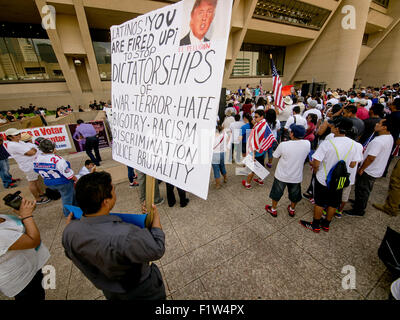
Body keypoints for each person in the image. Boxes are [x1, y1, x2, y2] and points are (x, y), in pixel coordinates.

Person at [62, 172, 166, 300]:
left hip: (110, 291)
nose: (115, 190)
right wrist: (155, 219)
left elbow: (71, 254)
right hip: (141, 291)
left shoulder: (69, 231)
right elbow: (157, 248)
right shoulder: (127, 234)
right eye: (113, 189)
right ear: (106, 202)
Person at [300, 117, 358, 233]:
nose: (331, 127)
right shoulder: (354, 145)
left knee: (320, 202)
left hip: (324, 178)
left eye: (332, 126)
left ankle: (315, 225)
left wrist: (315, 170)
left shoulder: (327, 143)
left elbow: (316, 163)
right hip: (341, 179)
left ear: (337, 129)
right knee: (334, 202)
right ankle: (326, 224)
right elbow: (352, 164)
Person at [0, 198, 50, 300]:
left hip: (29, 267)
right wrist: (27, 216)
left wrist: (23, 212)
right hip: (21, 281)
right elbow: (33, 241)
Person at [344, 119, 394, 217]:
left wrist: (362, 168)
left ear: (384, 127)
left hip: (369, 169)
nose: (377, 124)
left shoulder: (378, 141)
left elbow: (371, 157)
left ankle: (359, 210)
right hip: (376, 168)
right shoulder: (389, 137)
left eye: (379, 123)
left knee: (363, 189)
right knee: (363, 188)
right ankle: (359, 202)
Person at [265, 124, 310, 218]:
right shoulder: (307, 143)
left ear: (292, 134)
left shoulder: (284, 145)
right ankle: (292, 209)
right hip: (296, 176)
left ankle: (273, 209)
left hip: (282, 175)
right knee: (294, 194)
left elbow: (275, 156)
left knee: (277, 193)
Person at [33, 139, 78, 217]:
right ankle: (68, 214)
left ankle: (74, 208)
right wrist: (75, 179)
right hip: (62, 182)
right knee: (67, 197)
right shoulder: (58, 159)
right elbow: (68, 174)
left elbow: (36, 170)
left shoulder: (37, 159)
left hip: (48, 182)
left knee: (70, 195)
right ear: (53, 148)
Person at [4, 128, 50, 204]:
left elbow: (32, 150)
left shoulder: (19, 142)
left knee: (36, 181)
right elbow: (31, 152)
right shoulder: (13, 145)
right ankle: (37, 199)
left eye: (19, 133)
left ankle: (41, 194)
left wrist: (32, 150)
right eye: (16, 135)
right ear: (10, 137)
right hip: (28, 166)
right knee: (32, 182)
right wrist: (33, 149)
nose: (19, 135)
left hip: (32, 164)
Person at [242, 110, 272, 189]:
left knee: (251, 169)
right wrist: (251, 118)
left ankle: (247, 184)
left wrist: (253, 155)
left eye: (256, 117)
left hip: (255, 152)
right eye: (254, 117)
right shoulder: (264, 124)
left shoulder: (258, 128)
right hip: (262, 151)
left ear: (262, 117)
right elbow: (255, 124)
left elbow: (255, 143)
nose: (254, 119)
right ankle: (260, 180)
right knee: (261, 166)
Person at [212, 122, 228, 189]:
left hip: (215, 154)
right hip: (222, 153)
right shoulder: (225, 134)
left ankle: (218, 185)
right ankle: (225, 179)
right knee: (222, 166)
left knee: (216, 169)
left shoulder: (213, 137)